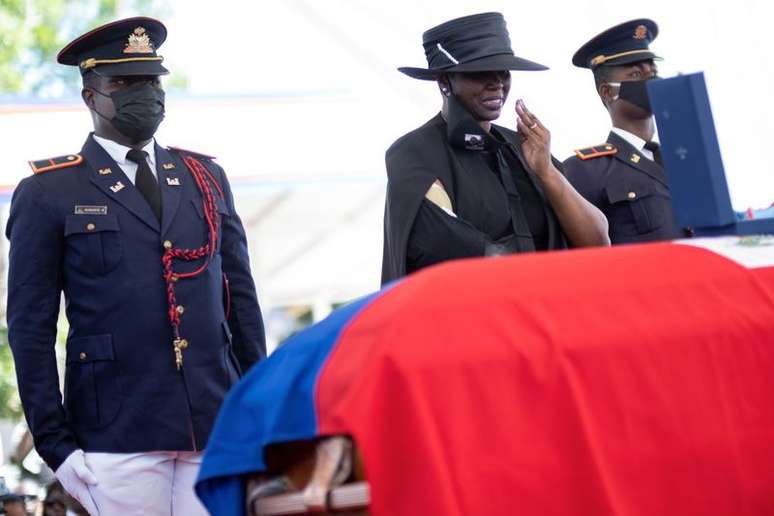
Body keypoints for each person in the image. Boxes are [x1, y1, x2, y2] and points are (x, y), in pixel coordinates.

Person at [6, 17, 266, 515]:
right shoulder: (49, 191)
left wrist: (259, 410)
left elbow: (242, 304)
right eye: (124, 83)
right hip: (114, 434)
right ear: (90, 95)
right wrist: (55, 444)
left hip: (214, 422)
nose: (143, 94)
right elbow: (30, 329)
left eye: (151, 81)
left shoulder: (203, 177)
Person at [381, 12, 610, 283]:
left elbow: (598, 242)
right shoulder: (414, 152)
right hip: (477, 317)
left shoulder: (526, 147)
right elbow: (445, 245)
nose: (497, 82)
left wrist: (547, 172)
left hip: (546, 313)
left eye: (503, 71)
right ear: (445, 82)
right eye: (480, 73)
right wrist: (535, 276)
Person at [563, 19, 689, 244]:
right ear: (607, 92)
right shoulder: (586, 170)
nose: (651, 80)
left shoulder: (682, 156)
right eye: (636, 75)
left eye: (653, 72)